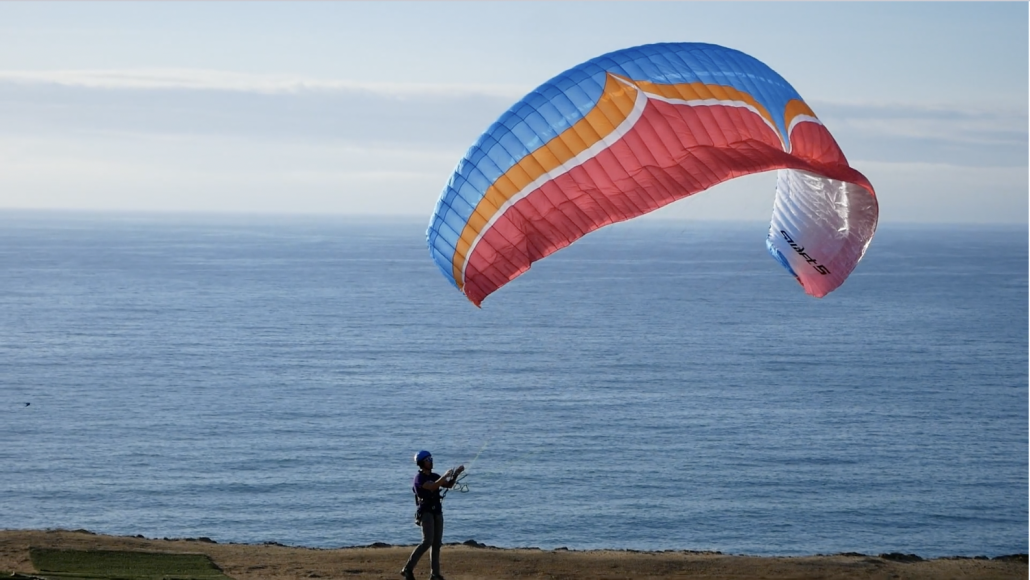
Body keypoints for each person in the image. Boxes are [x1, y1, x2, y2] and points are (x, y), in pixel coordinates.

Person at [401, 450, 464, 580]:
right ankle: (407, 569)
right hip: (426, 512)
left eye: (431, 459)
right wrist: (445, 475)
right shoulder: (419, 479)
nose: (431, 461)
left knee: (436, 544)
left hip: (437, 511)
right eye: (428, 459)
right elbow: (433, 486)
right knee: (427, 541)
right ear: (421, 463)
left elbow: (449, 485)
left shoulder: (434, 475)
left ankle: (435, 574)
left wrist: (456, 474)